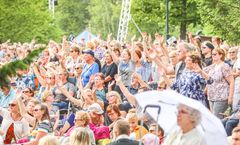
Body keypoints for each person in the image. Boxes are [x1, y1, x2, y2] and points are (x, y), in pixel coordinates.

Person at [204, 48, 234, 119]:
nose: (213, 55)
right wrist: (206, 89)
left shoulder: (225, 66)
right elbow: (208, 78)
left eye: (215, 54)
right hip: (211, 96)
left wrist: (230, 97)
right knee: (213, 118)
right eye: (212, 54)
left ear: (221, 55)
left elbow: (231, 82)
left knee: (218, 118)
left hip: (221, 97)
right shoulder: (212, 66)